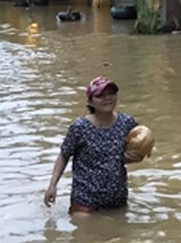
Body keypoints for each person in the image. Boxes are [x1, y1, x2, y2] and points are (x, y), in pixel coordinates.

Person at [44, 77, 142, 214]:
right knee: (85, 234)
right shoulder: (80, 128)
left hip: (117, 198)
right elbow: (64, 155)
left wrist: (135, 156)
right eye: (100, 95)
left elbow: (141, 145)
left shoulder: (126, 123)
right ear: (90, 101)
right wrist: (52, 185)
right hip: (85, 200)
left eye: (111, 94)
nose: (107, 98)